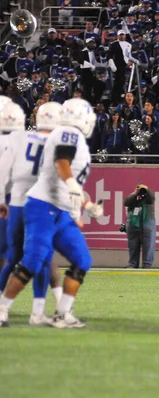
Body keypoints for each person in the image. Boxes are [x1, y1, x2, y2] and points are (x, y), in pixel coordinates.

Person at [0, 98, 102, 328]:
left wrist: (86, 205)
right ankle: (2, 307)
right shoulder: (69, 133)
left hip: (61, 210)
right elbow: (62, 160)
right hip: (43, 206)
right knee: (33, 261)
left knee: (82, 260)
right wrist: (73, 184)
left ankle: (62, 313)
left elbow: (67, 181)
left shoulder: (72, 136)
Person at [0, 102, 64, 325]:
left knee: (12, 257)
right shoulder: (57, 143)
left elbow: (3, 171)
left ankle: (2, 309)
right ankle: (38, 312)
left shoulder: (21, 138)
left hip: (16, 202)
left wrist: (1, 199)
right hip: (40, 205)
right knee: (44, 258)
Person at [124, 183, 156, 269]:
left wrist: (147, 190)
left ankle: (147, 264)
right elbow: (126, 202)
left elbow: (152, 198)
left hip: (147, 223)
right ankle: (133, 263)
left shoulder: (148, 199)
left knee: (149, 245)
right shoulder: (133, 197)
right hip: (133, 224)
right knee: (133, 245)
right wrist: (135, 193)